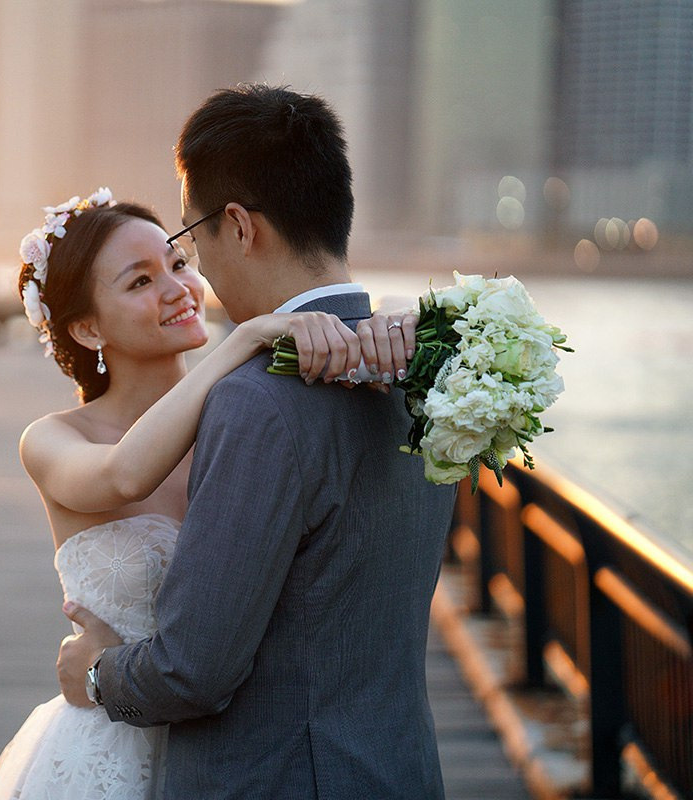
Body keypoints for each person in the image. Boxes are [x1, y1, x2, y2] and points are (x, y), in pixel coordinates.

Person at [54, 86, 457, 798]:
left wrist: (95, 670)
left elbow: (193, 671)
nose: (196, 273)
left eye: (190, 241)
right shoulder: (425, 364)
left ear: (238, 225)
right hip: (400, 772)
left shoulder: (258, 401)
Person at [0, 185, 416, 799]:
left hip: (242, 749)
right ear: (85, 328)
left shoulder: (246, 418)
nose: (177, 289)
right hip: (109, 749)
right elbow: (122, 477)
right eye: (139, 282)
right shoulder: (53, 439)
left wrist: (400, 324)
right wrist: (240, 339)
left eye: (178, 264)